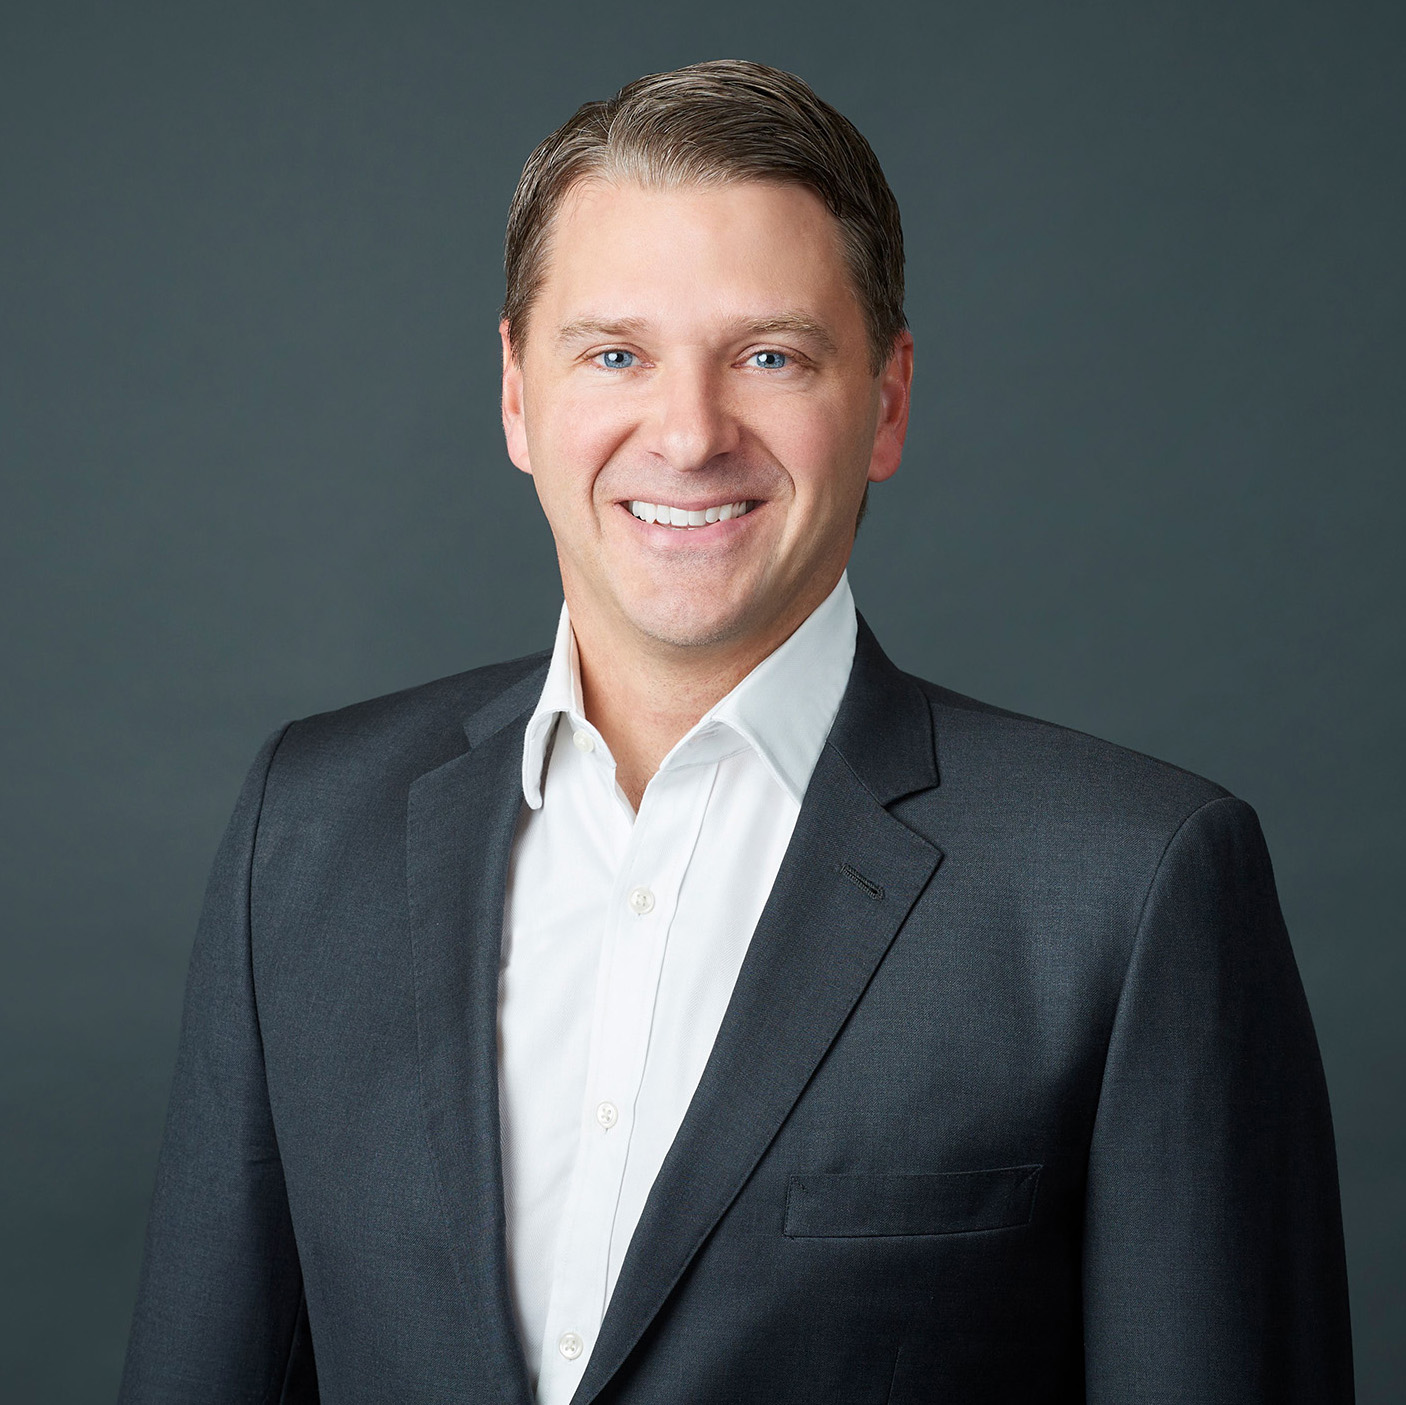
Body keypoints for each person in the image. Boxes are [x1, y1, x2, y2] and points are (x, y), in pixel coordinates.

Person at [120, 60, 1353, 1404]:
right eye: (614, 354)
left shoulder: (1128, 884)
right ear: (518, 397)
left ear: (883, 401)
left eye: (769, 355)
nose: (690, 432)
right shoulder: (309, 826)